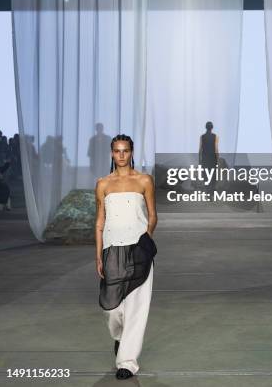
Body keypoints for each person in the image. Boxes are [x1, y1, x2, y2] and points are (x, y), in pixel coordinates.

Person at [95, 134, 157, 380]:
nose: (121, 155)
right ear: (111, 153)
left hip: (138, 248)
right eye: (117, 151)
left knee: (136, 308)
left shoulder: (144, 180)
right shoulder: (103, 184)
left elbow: (152, 215)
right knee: (112, 310)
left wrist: (146, 238)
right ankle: (119, 338)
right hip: (111, 248)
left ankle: (127, 362)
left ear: (132, 152)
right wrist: (98, 254)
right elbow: (100, 221)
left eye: (125, 150)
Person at [199, 122, 219, 188]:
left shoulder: (202, 137)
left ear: (206, 127)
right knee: (213, 174)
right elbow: (216, 149)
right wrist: (218, 159)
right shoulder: (215, 136)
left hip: (205, 158)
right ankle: (212, 191)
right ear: (212, 128)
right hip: (212, 158)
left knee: (205, 174)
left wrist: (199, 160)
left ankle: (207, 191)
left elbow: (200, 149)